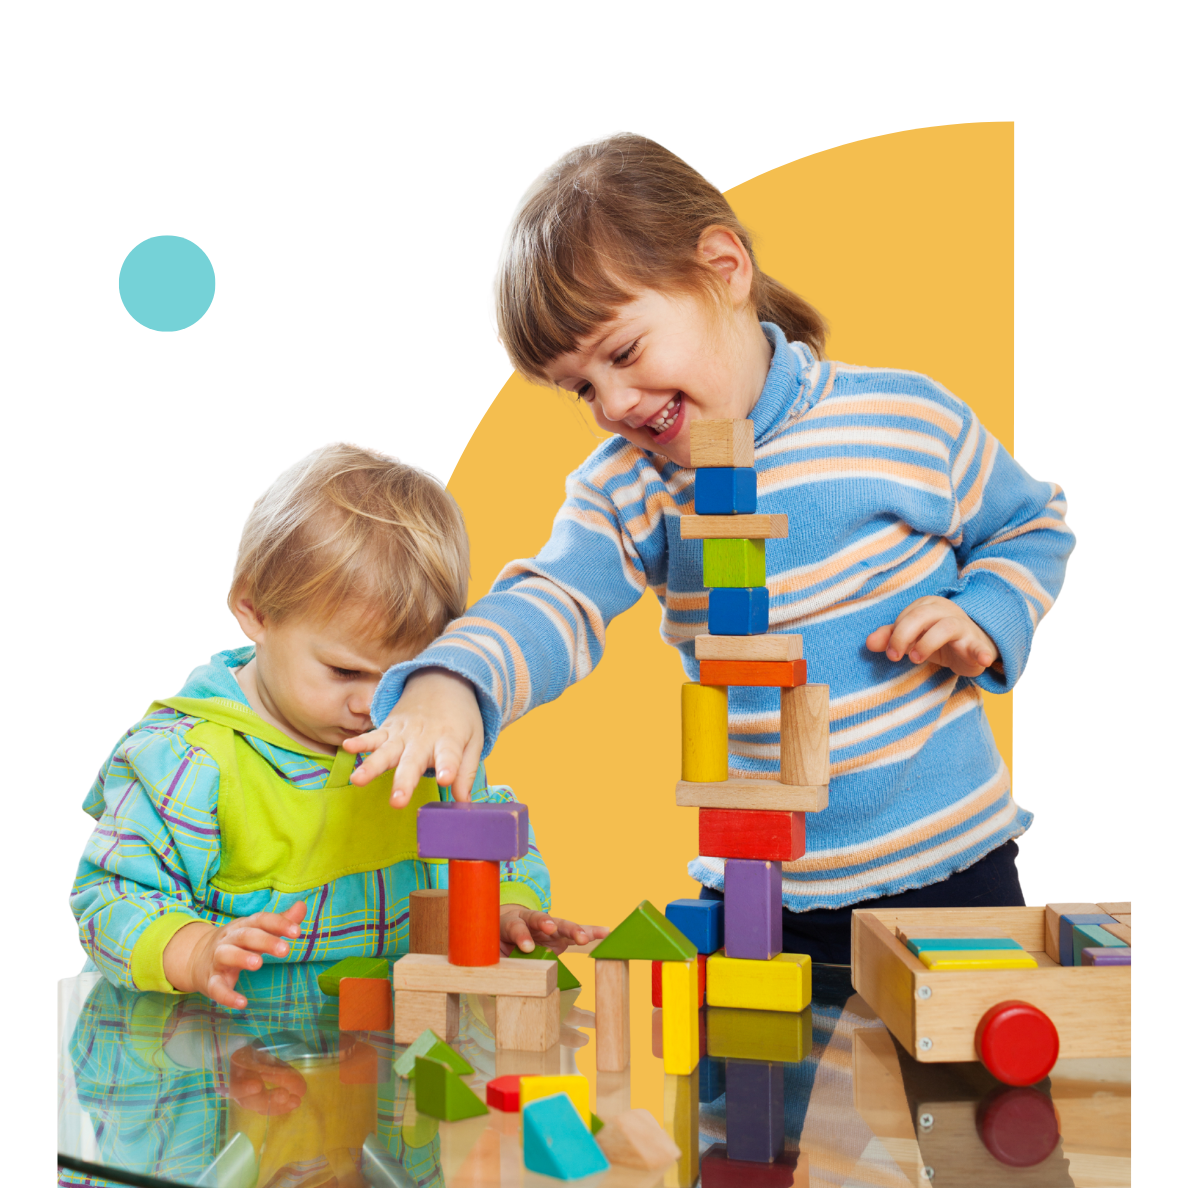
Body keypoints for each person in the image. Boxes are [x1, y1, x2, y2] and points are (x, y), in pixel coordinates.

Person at [343, 131, 1074, 963]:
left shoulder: (903, 420)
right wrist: (453, 680)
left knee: (972, 1080)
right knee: (736, 1084)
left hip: (951, 870)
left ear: (724, 269)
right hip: (756, 888)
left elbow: (1029, 524)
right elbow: (556, 598)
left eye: (623, 352)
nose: (614, 402)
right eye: (581, 386)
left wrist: (985, 612)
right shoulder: (631, 488)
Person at [70, 441, 606, 1009]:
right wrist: (194, 950)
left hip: (392, 1058)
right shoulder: (189, 760)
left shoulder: (419, 737)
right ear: (254, 610)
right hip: (232, 1063)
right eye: (345, 670)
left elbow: (494, 844)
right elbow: (110, 896)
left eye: (405, 672)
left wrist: (500, 911)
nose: (374, 703)